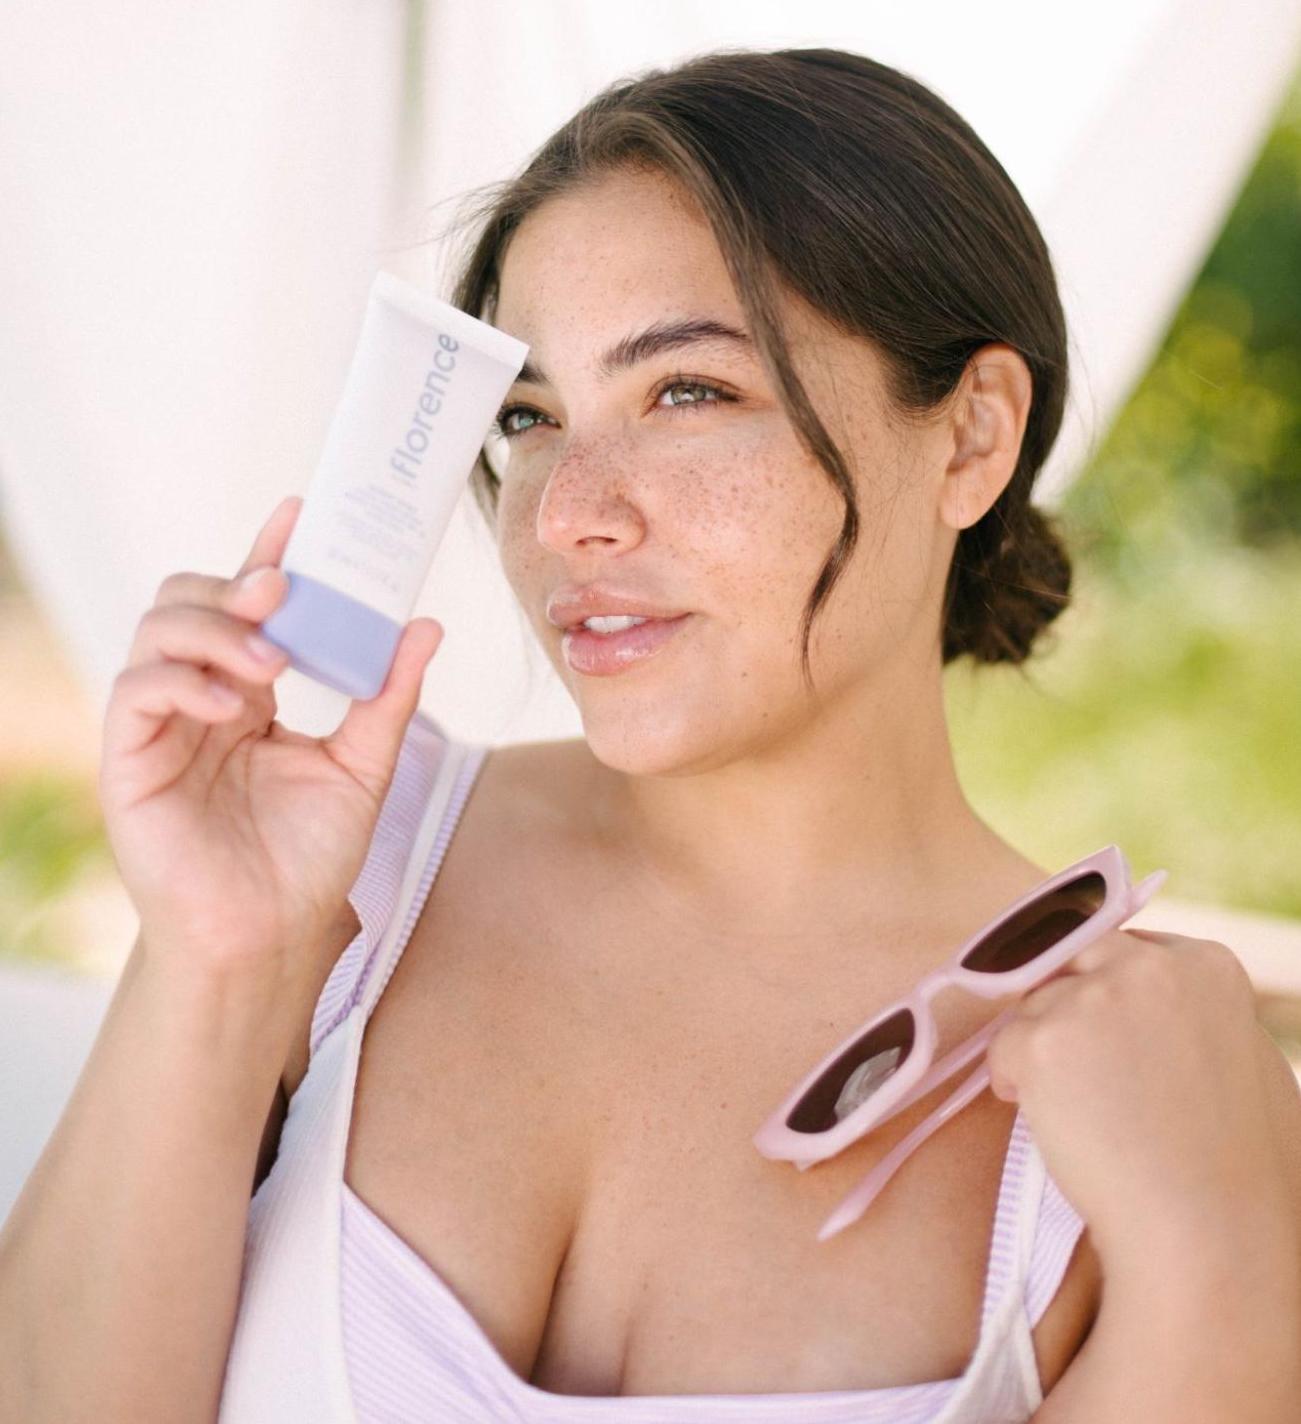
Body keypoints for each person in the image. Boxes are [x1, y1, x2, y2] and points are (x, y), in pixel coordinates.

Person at [2, 45, 1298, 1424]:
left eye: (689, 393)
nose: (567, 513)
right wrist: (217, 957)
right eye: (530, 418)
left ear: (972, 435)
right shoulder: (348, 882)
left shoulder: (1145, 1088)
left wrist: (1219, 1259)